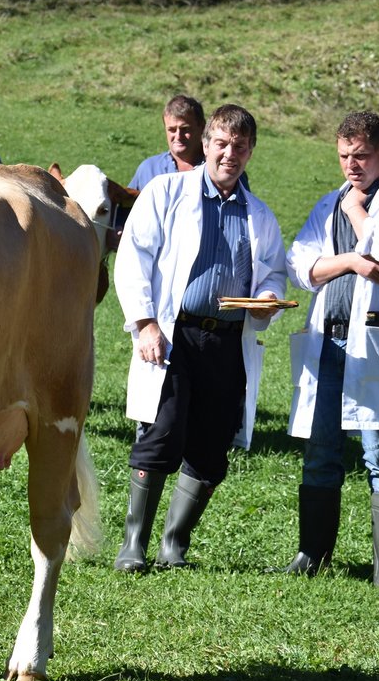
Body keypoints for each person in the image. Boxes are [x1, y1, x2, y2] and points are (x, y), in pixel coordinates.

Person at [112, 104, 287, 573]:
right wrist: (144, 322)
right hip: (175, 334)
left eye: (241, 146)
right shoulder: (166, 191)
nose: (231, 154)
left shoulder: (259, 214)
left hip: (227, 342)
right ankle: (134, 544)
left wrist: (269, 296)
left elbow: (272, 270)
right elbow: (133, 256)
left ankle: (174, 545)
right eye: (223, 144)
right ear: (207, 144)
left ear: (251, 152)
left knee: (212, 444)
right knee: (161, 431)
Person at [278, 110, 379, 589]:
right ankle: (312, 554)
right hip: (328, 340)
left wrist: (355, 214)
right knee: (321, 452)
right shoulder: (329, 202)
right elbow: (299, 264)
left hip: (375, 344)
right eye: (344, 156)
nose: (351, 165)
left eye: (361, 156)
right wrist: (352, 263)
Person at [129, 94, 206, 192]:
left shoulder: (216, 169)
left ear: (202, 127)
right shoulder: (149, 169)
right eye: (172, 130)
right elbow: (127, 203)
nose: (178, 136)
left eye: (185, 129)